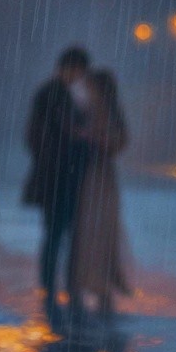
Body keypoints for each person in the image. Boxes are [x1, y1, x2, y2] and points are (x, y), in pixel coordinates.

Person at [22, 45, 91, 329]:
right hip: (58, 178)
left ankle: (58, 287)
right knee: (55, 234)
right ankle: (52, 288)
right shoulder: (54, 94)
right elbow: (38, 135)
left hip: (63, 177)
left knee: (61, 234)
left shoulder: (63, 95)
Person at [67, 66, 131, 322]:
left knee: (101, 232)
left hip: (100, 178)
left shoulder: (107, 113)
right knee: (87, 233)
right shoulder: (86, 110)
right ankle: (86, 284)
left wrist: (95, 139)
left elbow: (118, 142)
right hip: (90, 177)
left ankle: (101, 284)